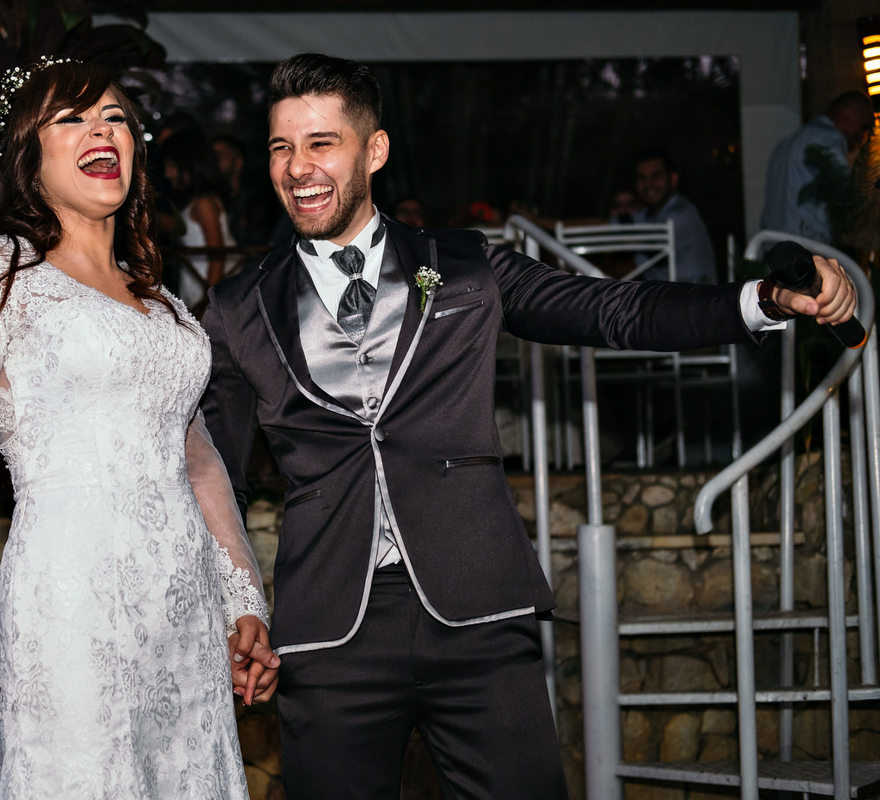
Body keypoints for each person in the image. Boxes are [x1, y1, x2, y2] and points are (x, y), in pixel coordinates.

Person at [200, 53, 857, 799]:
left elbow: (617, 311)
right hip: (329, 631)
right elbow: (211, 472)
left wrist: (761, 300)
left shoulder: (465, 266)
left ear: (373, 150)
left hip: (479, 609)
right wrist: (234, 607)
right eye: (282, 148)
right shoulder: (237, 306)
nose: (297, 167)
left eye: (322, 143)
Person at [0, 57, 276, 797]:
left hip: (182, 608)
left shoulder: (165, 305)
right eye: (72, 118)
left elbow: (198, 459)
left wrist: (243, 596)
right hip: (70, 600)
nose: (101, 129)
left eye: (115, 116)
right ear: (28, 154)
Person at [760, 90, 874, 245]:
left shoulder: (787, 143)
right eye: (864, 126)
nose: (863, 137)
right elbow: (844, 199)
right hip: (805, 248)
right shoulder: (828, 138)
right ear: (849, 111)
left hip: (774, 246)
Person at [160, 128, 235, 308]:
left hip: (208, 288)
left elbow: (217, 255)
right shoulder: (195, 203)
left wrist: (207, 303)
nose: (167, 174)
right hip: (197, 284)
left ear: (187, 165)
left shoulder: (204, 203)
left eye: (171, 166)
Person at [629, 148, 718, 283]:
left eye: (656, 176)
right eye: (642, 178)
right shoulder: (649, 215)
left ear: (673, 179)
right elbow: (613, 226)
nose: (648, 184)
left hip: (695, 300)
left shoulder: (680, 214)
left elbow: (631, 268)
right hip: (668, 298)